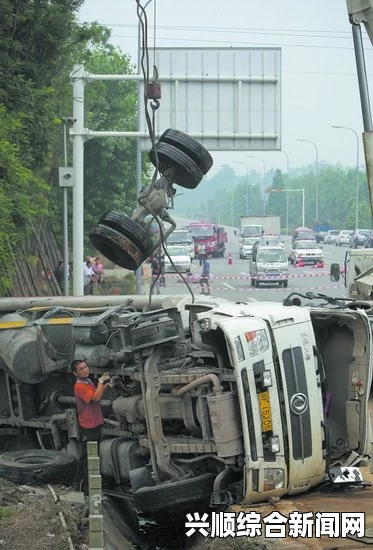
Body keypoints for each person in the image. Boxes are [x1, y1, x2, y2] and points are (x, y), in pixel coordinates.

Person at [71, 359, 111, 494]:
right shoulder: (80, 386)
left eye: (86, 367)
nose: (85, 370)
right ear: (74, 373)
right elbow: (95, 398)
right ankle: (84, 487)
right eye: (81, 369)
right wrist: (100, 381)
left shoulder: (87, 382)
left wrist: (108, 385)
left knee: (87, 455)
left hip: (93, 422)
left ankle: (80, 484)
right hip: (89, 424)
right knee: (89, 457)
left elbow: (96, 394)